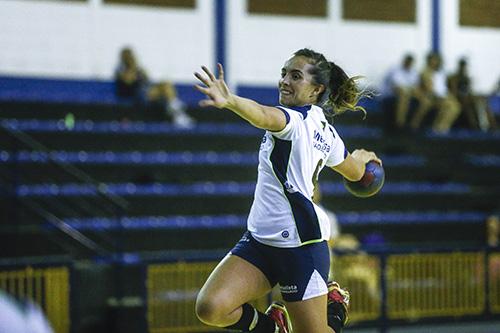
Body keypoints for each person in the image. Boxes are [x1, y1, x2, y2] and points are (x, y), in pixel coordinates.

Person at [193, 48, 382, 333]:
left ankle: (336, 308)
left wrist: (231, 101)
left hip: (300, 247)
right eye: (284, 73)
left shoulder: (294, 121)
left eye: (295, 76)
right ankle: (275, 327)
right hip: (260, 240)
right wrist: (363, 159)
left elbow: (264, 116)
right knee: (211, 307)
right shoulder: (325, 129)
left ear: (316, 89)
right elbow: (356, 174)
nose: (284, 81)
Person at [114, 47, 194, 127]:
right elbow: (128, 81)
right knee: (157, 93)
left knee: (166, 83)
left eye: (131, 56)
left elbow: (147, 79)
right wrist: (133, 70)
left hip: (145, 90)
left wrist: (140, 71)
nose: (131, 58)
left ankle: (173, 104)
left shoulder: (138, 69)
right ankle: (174, 110)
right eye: (128, 56)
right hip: (135, 95)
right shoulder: (120, 69)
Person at [409, 52, 461, 133]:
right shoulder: (425, 71)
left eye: (438, 60)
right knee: (445, 104)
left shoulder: (441, 73)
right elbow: (428, 88)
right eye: (434, 60)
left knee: (455, 107)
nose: (437, 62)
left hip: (442, 96)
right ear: (429, 61)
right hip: (431, 96)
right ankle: (416, 125)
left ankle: (441, 127)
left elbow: (445, 88)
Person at [381, 54, 420, 130]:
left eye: (410, 63)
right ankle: (400, 123)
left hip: (406, 94)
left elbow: (415, 88)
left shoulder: (413, 72)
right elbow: (397, 87)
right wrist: (409, 90)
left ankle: (415, 124)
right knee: (403, 95)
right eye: (407, 62)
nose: (408, 64)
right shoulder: (395, 70)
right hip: (389, 95)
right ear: (404, 61)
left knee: (423, 99)